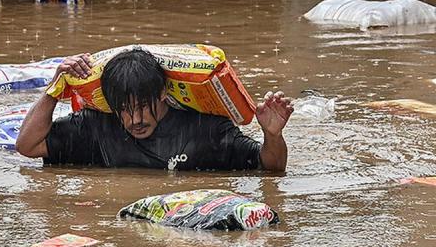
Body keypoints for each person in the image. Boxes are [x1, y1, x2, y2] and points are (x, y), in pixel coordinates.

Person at [15, 49, 293, 171]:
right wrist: (54, 88)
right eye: (124, 110)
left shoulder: (205, 130)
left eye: (142, 108)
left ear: (163, 94)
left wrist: (272, 135)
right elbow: (28, 145)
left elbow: (271, 168)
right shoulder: (95, 127)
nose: (135, 120)